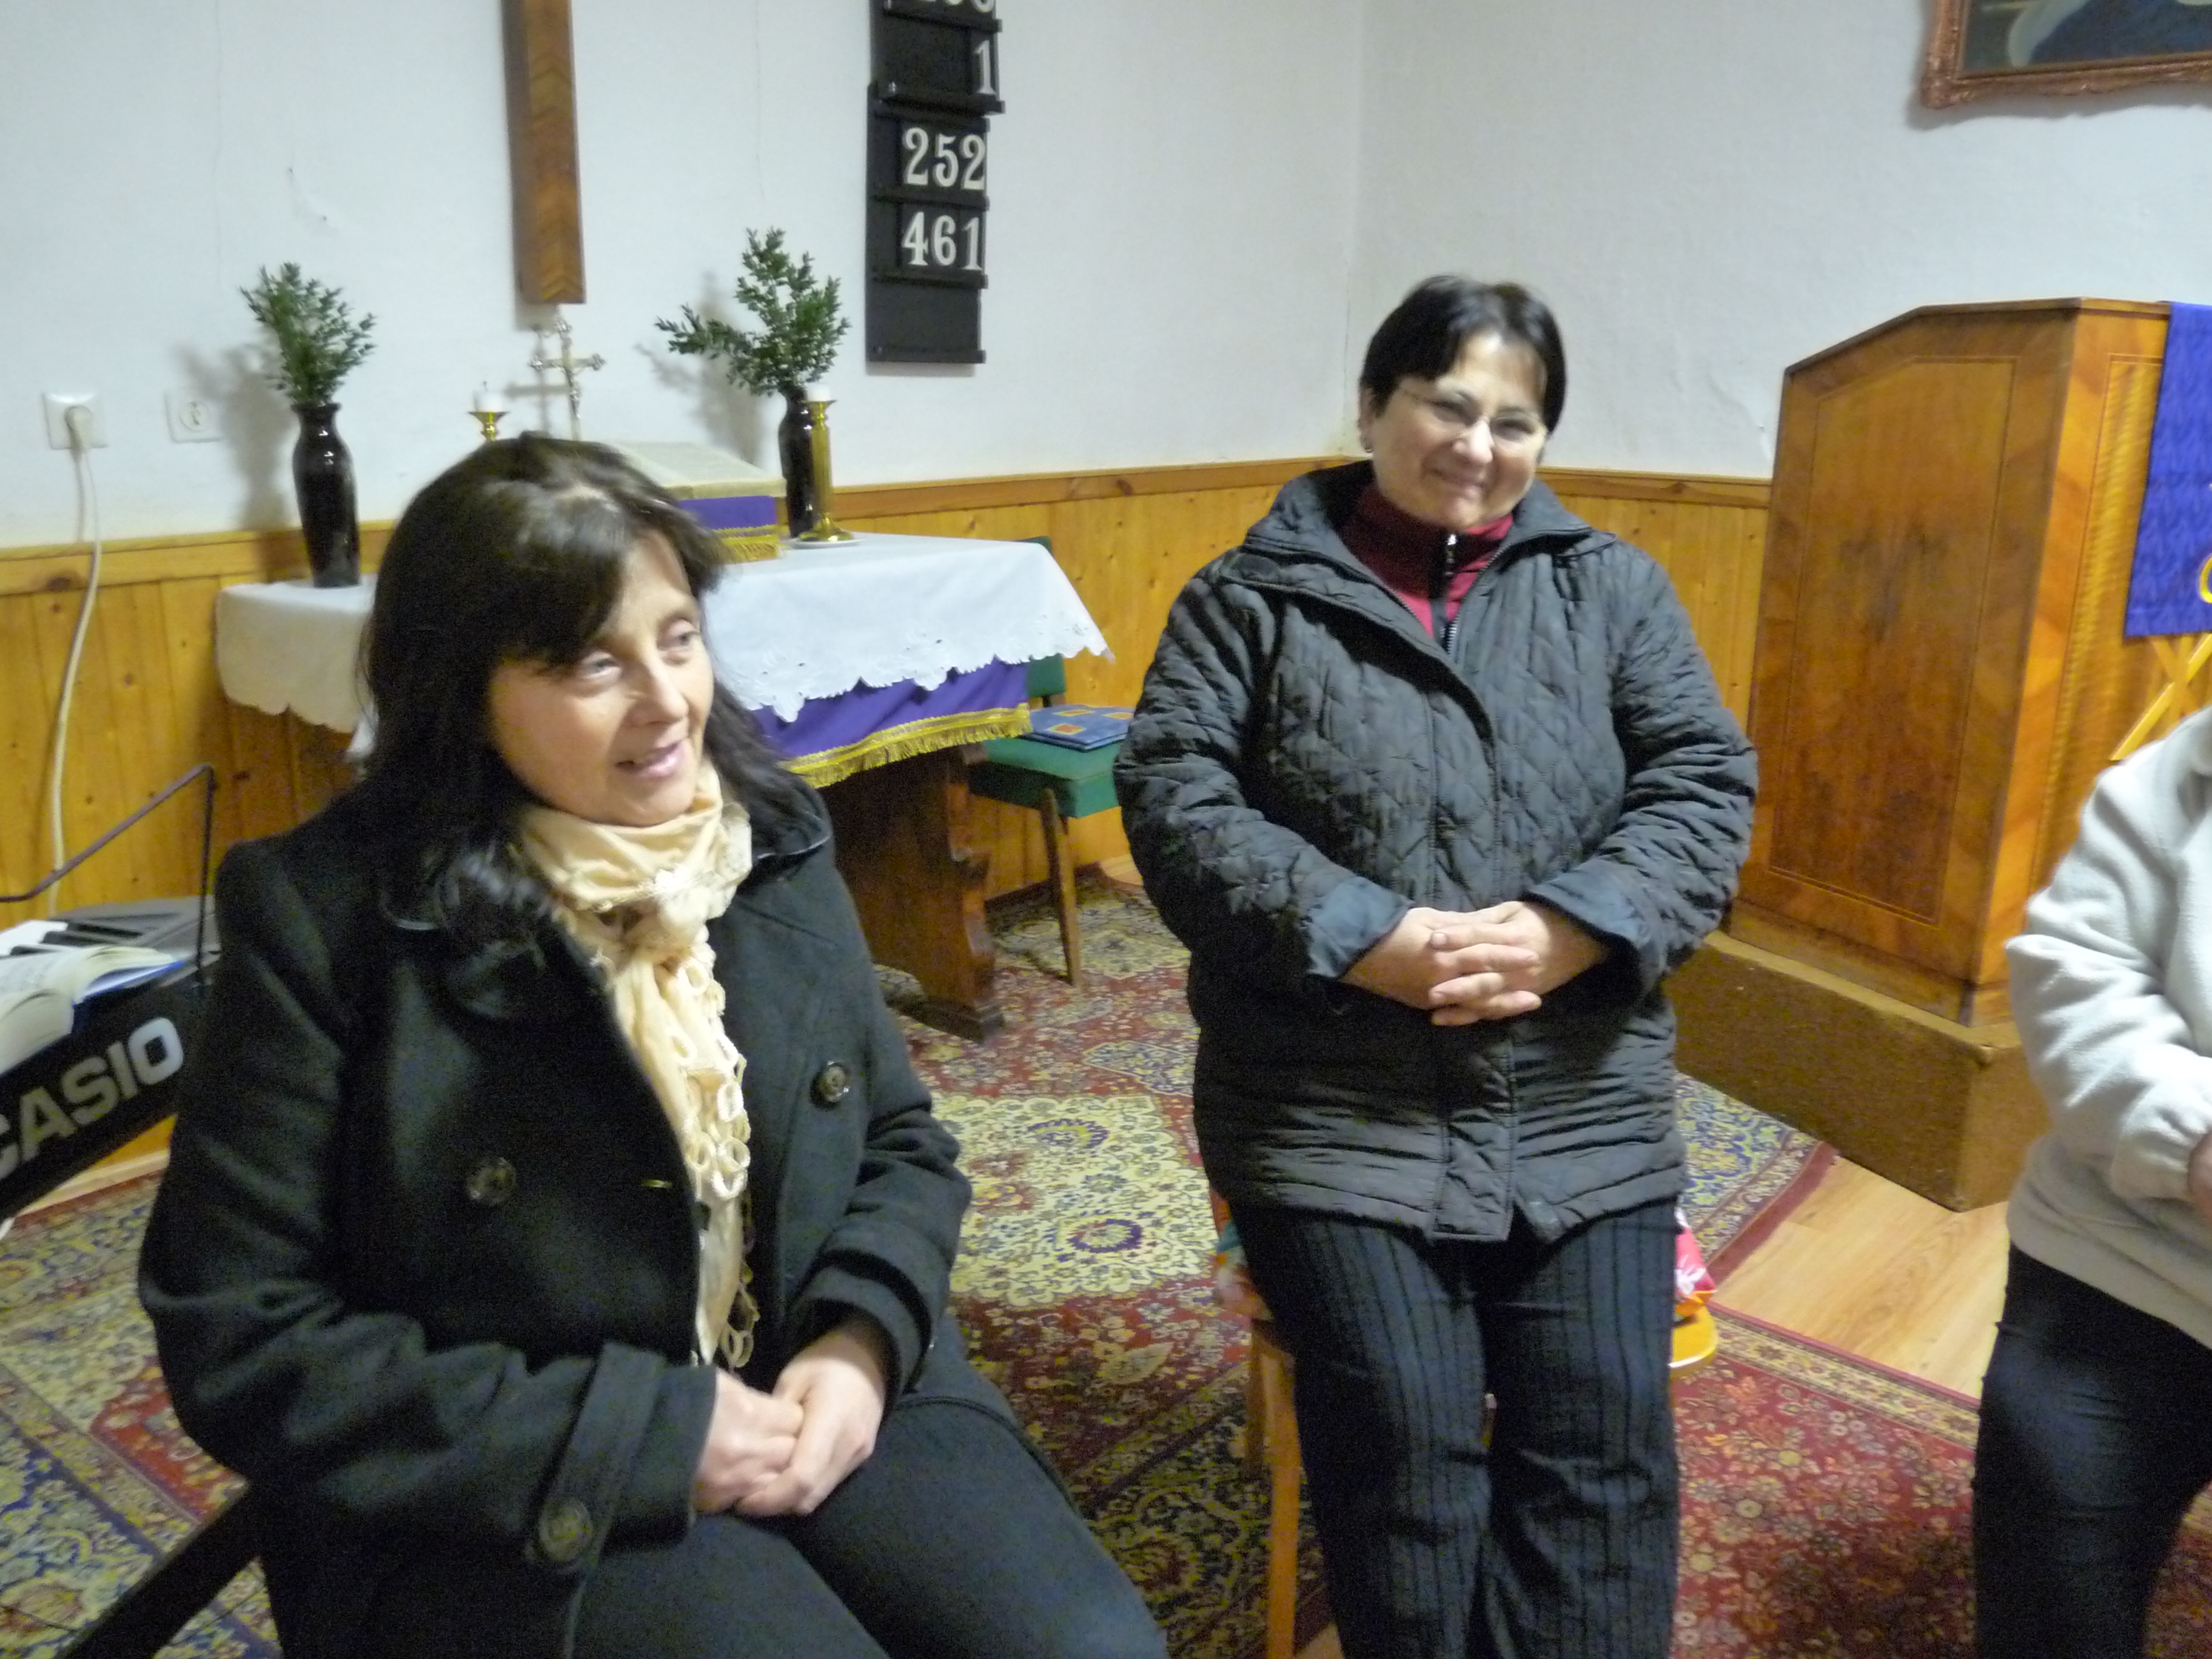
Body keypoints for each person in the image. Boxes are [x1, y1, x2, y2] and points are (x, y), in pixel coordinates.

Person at [140, 435, 1165, 1659]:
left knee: (1092, 1648)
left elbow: (899, 1138)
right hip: (518, 1463)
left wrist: (863, 1339)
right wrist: (645, 1435)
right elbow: (243, 1336)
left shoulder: (769, 838)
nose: (667, 700)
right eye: (592, 662)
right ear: (461, 690)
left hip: (808, 1364)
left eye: (678, 638)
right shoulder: (327, 919)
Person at [1114, 276, 1756, 1659]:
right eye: (1447, 406)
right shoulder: (1245, 599)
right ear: (1372, 406)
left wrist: (1574, 928)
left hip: (1576, 1091)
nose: (1477, 445)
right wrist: (1368, 941)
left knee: (1602, 1442)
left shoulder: (1614, 589)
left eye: (1515, 423)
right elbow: (1176, 803)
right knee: (1402, 1441)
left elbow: (1703, 784)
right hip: (1330, 1103)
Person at [1975, 706, 2212, 1658]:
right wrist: (2194, 1141)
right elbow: (2077, 971)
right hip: (2120, 1260)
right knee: (2050, 1607)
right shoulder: (2175, 778)